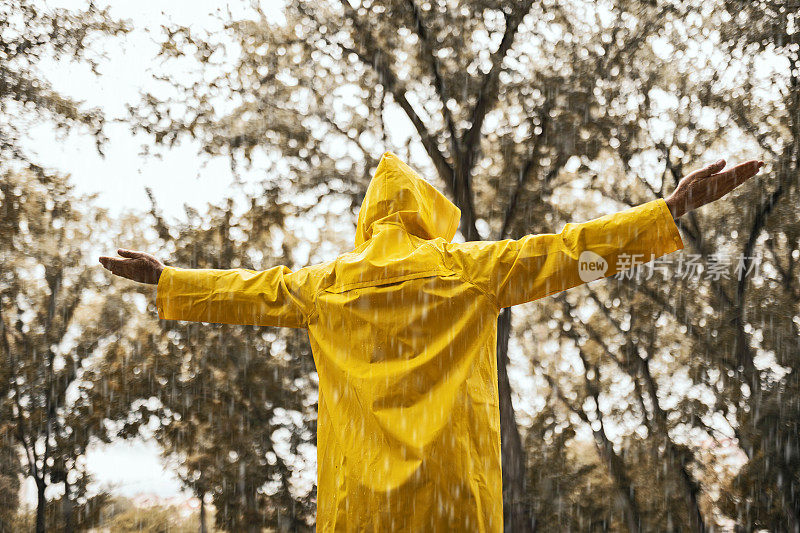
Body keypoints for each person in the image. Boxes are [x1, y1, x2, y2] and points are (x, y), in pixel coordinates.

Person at [100, 151, 763, 531]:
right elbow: (571, 251)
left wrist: (170, 280)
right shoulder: (472, 271)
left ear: (369, 220)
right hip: (455, 505)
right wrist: (667, 212)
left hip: (357, 509)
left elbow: (243, 293)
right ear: (429, 214)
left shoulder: (323, 286)